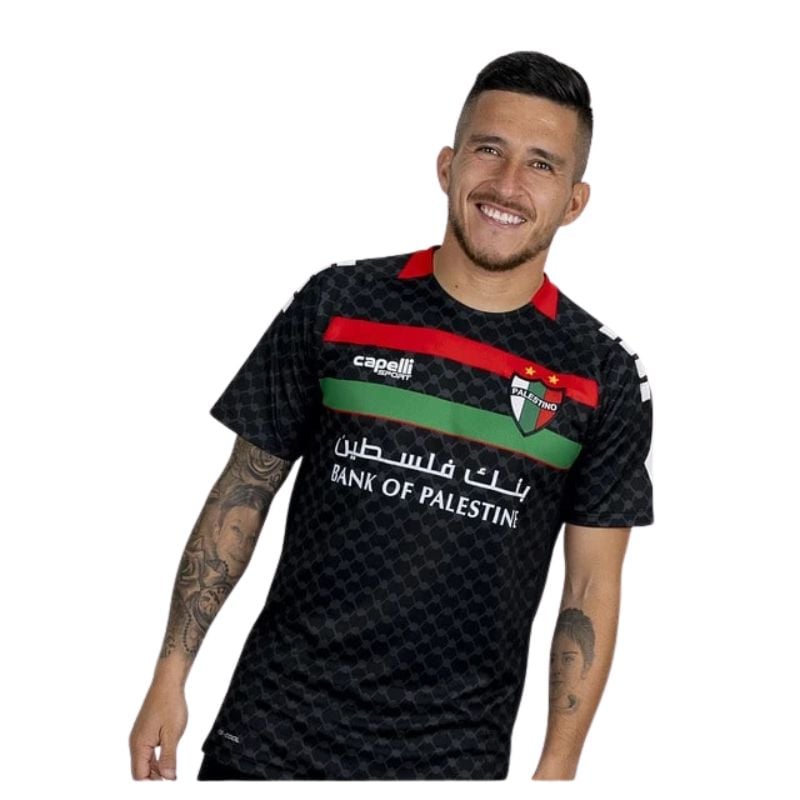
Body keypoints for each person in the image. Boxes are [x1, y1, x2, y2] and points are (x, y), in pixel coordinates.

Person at [129, 50, 654, 782]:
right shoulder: (339, 304)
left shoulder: (603, 374)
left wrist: (557, 771)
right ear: (447, 165)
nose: (507, 184)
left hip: (453, 760)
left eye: (541, 164)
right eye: (489, 150)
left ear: (573, 201)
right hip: (273, 733)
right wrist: (170, 674)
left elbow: (591, 588)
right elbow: (241, 494)